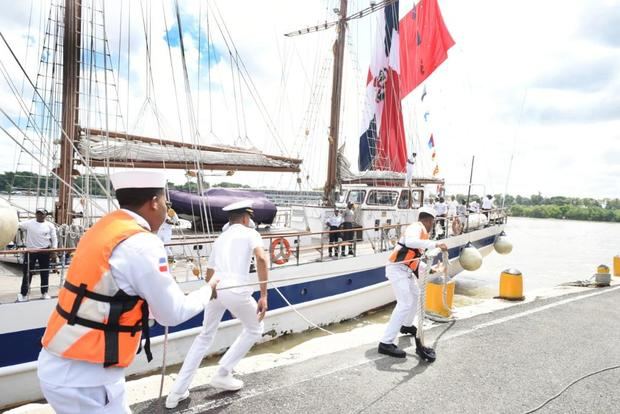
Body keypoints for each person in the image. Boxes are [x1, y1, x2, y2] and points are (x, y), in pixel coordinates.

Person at [37, 171, 217, 413]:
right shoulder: (142, 243)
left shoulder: (103, 228)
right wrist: (208, 290)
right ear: (154, 202)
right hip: (86, 379)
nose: (166, 209)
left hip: (64, 365)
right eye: (166, 202)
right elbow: (172, 314)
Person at [166, 199, 269, 409]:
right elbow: (261, 259)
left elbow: (210, 272)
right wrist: (263, 294)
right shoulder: (251, 233)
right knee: (255, 328)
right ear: (246, 218)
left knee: (204, 336)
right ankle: (223, 372)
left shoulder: (220, 238)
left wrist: (218, 297)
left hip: (215, 288)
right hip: (236, 290)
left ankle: (176, 393)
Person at [378, 206, 448, 361]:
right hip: (397, 269)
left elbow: (414, 261)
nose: (432, 226)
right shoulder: (417, 227)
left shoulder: (421, 234)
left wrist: (433, 269)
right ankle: (385, 343)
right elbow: (409, 242)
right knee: (405, 303)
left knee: (416, 296)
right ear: (430, 221)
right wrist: (435, 244)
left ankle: (406, 325)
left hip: (406, 271)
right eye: (433, 223)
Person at [17, 208, 58, 302]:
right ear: (35, 214)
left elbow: (54, 238)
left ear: (45, 215)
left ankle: (44, 292)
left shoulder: (50, 225)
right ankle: (24, 294)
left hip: (45, 251)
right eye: (38, 213)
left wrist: (54, 250)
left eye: (42, 214)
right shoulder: (29, 223)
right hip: (31, 251)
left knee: (45, 273)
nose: (40, 215)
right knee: (27, 273)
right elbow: (17, 225)